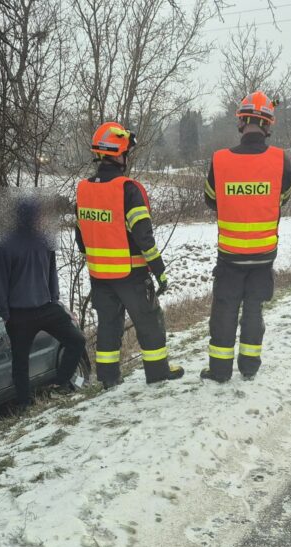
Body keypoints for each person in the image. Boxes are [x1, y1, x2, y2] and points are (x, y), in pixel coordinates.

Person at [74, 121, 184, 387]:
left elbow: (81, 239)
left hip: (99, 275)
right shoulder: (128, 189)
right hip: (131, 273)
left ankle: (109, 379)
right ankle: (158, 373)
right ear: (118, 154)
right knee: (149, 321)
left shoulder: (84, 190)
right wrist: (159, 270)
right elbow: (144, 237)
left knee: (108, 326)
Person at [201, 90, 291, 383]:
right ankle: (250, 367)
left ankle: (219, 372)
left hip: (230, 256)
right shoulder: (282, 161)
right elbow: (283, 198)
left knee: (224, 312)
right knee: (254, 311)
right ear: (268, 125)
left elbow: (210, 199)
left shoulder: (220, 160)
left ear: (241, 122)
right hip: (264, 256)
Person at [0, 197, 86, 410]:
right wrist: (4, 312)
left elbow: (51, 271)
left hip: (46, 307)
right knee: (20, 361)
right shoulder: (4, 245)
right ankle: (24, 403)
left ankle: (61, 382)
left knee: (77, 340)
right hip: (18, 314)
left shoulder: (45, 240)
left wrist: (55, 298)